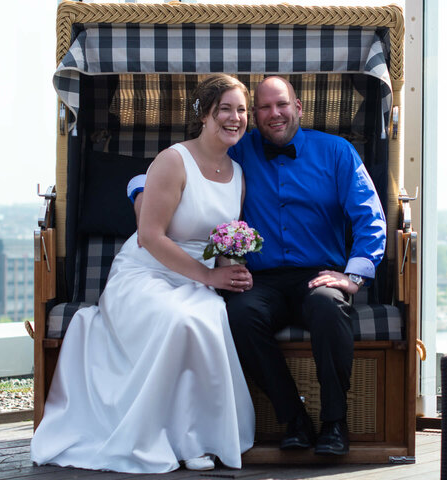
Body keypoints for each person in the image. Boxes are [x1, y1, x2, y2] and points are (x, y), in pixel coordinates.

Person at [130, 76, 386, 456]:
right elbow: (166, 173)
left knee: (327, 306)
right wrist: (140, 195)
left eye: (281, 105)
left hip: (319, 275)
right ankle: (293, 419)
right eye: (263, 108)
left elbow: (371, 217)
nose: (273, 114)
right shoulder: (237, 147)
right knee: (240, 313)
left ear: (298, 107)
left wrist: (352, 276)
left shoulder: (338, 152)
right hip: (260, 278)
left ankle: (335, 423)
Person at [31, 74, 255, 474]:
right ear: (204, 113)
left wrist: (231, 269)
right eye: (225, 109)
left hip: (196, 278)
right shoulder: (173, 160)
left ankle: (196, 437)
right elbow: (150, 237)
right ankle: (160, 438)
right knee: (178, 320)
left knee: (207, 318)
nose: (235, 118)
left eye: (241, 110)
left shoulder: (237, 175)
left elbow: (218, 244)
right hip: (145, 272)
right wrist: (210, 279)